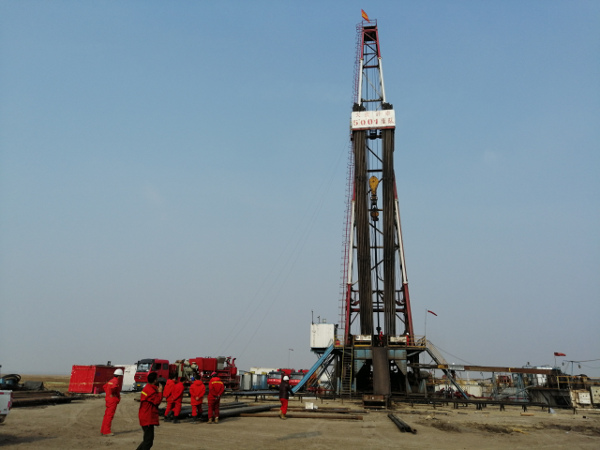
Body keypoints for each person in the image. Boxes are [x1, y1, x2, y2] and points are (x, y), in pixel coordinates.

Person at [136, 371, 163, 450]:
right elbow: (157, 401)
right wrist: (160, 392)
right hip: (147, 418)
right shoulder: (150, 391)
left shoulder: (148, 388)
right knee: (148, 441)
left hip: (145, 416)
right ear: (155, 381)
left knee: (147, 440)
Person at [100, 368, 123, 436]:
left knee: (106, 415)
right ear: (119, 376)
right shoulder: (115, 381)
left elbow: (104, 387)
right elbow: (113, 388)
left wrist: (108, 393)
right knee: (110, 415)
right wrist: (113, 394)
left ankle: (103, 430)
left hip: (108, 399)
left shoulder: (111, 381)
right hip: (112, 400)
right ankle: (106, 431)